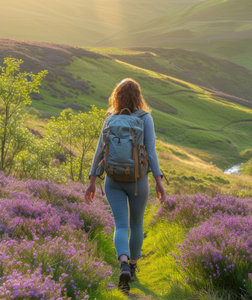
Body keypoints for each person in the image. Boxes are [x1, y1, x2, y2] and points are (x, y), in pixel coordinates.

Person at [84, 78, 166, 293]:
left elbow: (99, 150)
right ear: (139, 96)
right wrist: (158, 180)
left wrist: (92, 180)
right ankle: (132, 267)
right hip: (138, 181)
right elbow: (151, 150)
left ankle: (122, 262)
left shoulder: (110, 118)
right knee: (137, 224)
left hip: (113, 180)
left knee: (120, 225)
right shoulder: (145, 118)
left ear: (116, 96)